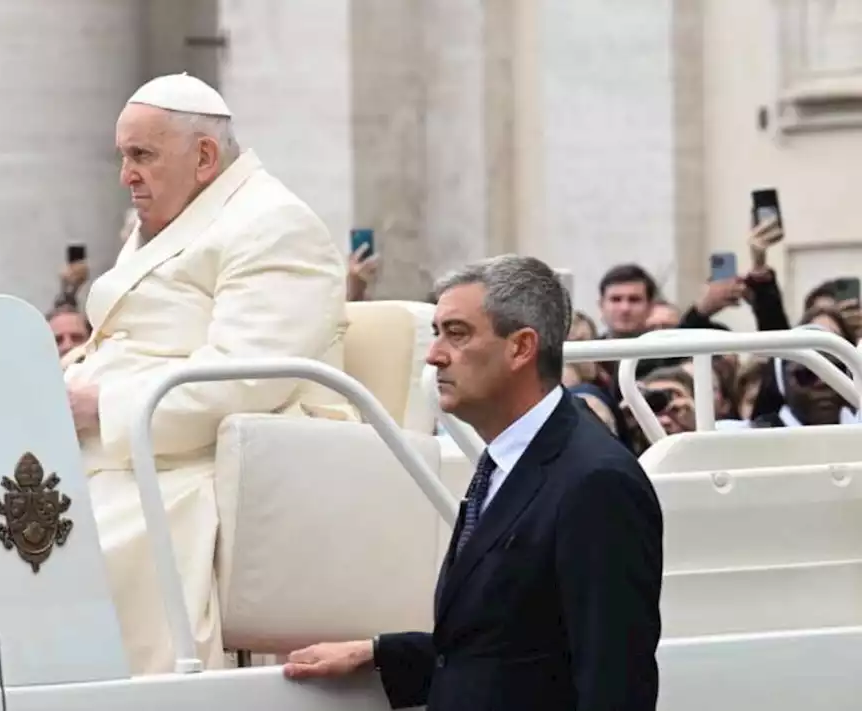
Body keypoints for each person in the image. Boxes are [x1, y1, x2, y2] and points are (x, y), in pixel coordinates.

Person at [63, 73, 353, 673]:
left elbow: (245, 377)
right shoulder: (175, 218)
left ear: (203, 156)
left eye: (141, 155)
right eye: (123, 156)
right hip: (131, 441)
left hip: (215, 448)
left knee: (75, 549)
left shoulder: (275, 224)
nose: (126, 175)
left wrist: (101, 409)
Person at [283, 255, 663, 711]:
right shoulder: (505, 462)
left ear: (521, 348)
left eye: (457, 334)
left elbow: (614, 683)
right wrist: (380, 653)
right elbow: (508, 647)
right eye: (437, 332)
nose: (434, 354)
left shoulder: (596, 482)